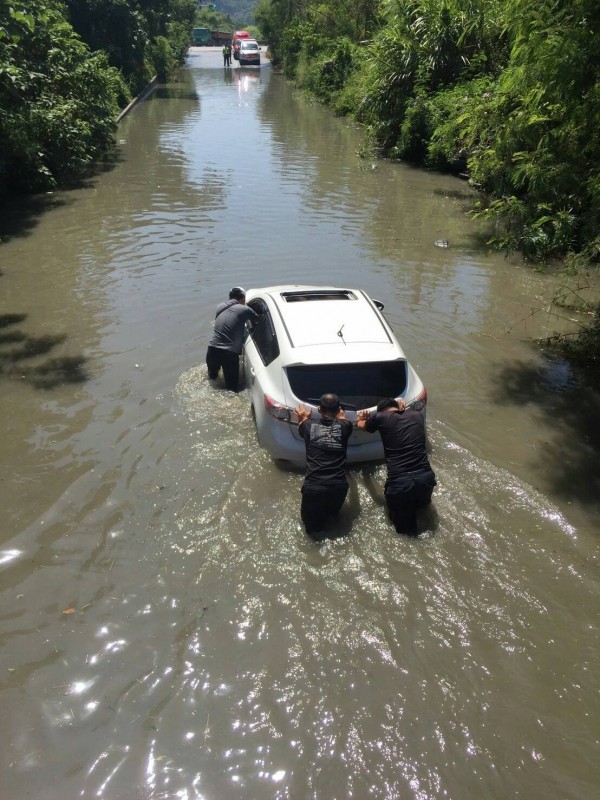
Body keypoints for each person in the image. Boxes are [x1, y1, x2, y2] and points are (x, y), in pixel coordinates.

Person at [357, 398, 436, 535]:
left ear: (382, 411)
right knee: (423, 510)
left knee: (405, 531)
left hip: (400, 484)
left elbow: (363, 425)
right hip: (426, 478)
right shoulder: (417, 415)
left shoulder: (381, 417)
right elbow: (401, 420)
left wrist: (361, 418)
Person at [295, 393, 353, 539]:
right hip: (339, 486)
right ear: (339, 409)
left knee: (312, 530)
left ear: (319, 409)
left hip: (315, 487)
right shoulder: (346, 426)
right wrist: (341, 415)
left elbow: (302, 422)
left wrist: (302, 416)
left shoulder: (308, 426)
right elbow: (342, 420)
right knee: (332, 520)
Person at [206, 287, 257, 392]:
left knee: (212, 382)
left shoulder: (219, 307)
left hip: (212, 351)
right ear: (242, 299)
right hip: (229, 354)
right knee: (232, 390)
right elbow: (258, 320)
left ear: (229, 297)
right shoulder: (245, 309)